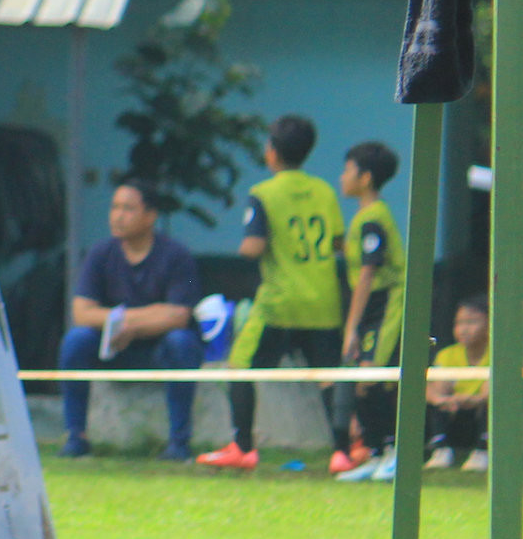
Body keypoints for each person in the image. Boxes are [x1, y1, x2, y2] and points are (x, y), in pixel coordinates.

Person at [199, 115, 352, 471]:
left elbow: (253, 246)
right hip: (323, 300)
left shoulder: (263, 193)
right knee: (329, 376)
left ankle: (242, 447)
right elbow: (338, 243)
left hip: (280, 302)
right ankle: (342, 451)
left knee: (240, 366)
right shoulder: (325, 191)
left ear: (271, 152)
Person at [57, 180, 202, 460]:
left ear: (151, 216)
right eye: (114, 207)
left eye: (128, 209)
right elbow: (81, 312)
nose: (117, 216)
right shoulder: (100, 254)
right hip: (112, 347)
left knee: (182, 342)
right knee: (76, 340)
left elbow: (179, 315)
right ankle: (76, 437)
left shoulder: (178, 255)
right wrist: (134, 318)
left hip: (160, 349)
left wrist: (127, 323)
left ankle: (179, 443)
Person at [336, 141, 406, 481]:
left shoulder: (373, 218)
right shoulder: (365, 217)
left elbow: (368, 273)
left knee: (373, 378)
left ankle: (394, 453)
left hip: (386, 304)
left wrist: (352, 327)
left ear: (365, 178)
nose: (342, 177)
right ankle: (376, 454)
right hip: (373, 308)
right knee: (364, 381)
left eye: (347, 170)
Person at [426, 294, 491, 471]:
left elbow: (490, 393)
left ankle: (482, 451)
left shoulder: (496, 353)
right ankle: (441, 450)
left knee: (492, 406)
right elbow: (435, 389)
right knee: (435, 404)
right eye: (459, 323)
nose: (463, 329)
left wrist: (472, 399)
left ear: (490, 324)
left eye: (472, 322)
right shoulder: (447, 354)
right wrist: (442, 400)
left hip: (478, 411)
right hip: (455, 412)